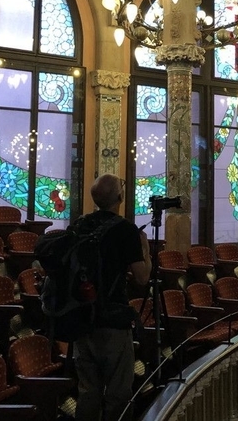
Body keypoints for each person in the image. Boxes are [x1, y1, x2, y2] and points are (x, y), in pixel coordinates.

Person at [73, 174, 152, 421]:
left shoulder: (80, 225)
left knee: (87, 390)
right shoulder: (125, 230)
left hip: (81, 317)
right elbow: (141, 277)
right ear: (120, 197)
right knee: (118, 391)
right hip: (113, 320)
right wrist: (146, 250)